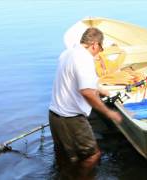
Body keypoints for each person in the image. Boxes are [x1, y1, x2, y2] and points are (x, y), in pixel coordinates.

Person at [49, 27, 122, 177]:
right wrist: (108, 112)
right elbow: (87, 92)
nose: (99, 53)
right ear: (95, 44)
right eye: (100, 48)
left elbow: (79, 80)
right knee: (92, 156)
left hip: (54, 115)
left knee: (65, 157)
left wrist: (102, 90)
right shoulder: (84, 58)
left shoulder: (67, 53)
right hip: (71, 118)